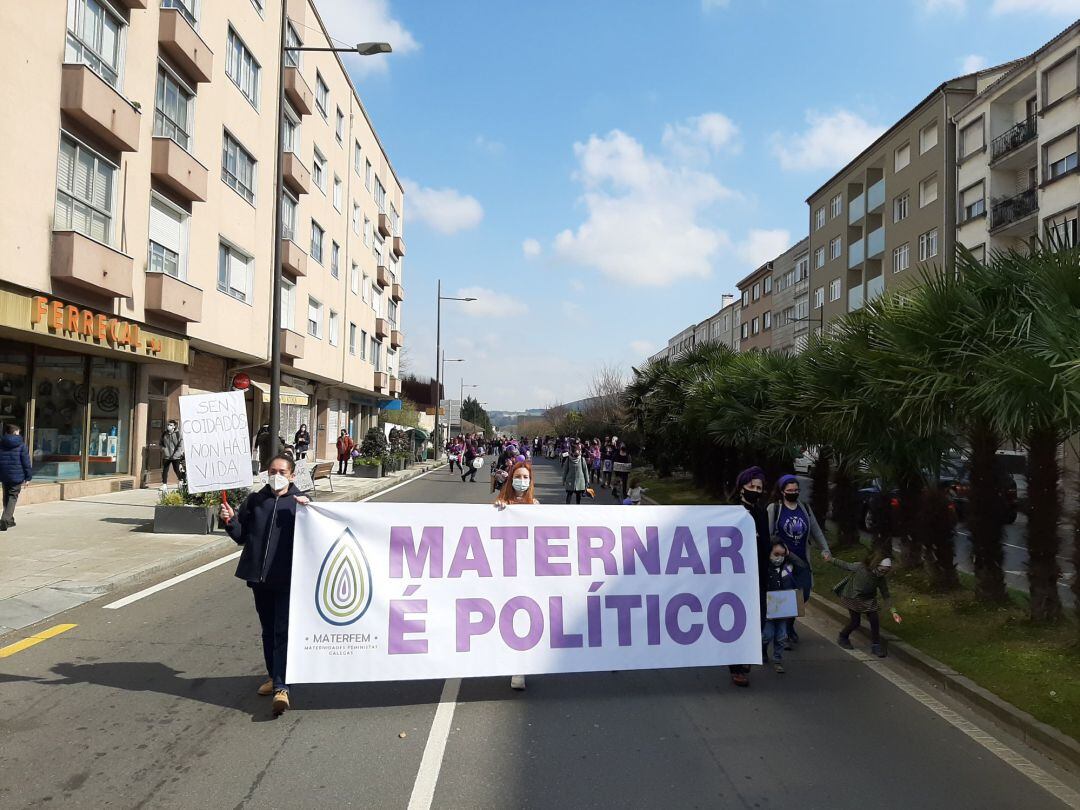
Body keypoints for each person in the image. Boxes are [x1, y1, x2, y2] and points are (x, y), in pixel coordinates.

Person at [219, 454, 309, 716]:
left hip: (288, 580)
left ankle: (283, 686)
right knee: (268, 631)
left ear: (292, 475)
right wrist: (230, 521)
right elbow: (241, 536)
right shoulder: (255, 500)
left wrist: (309, 510)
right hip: (260, 578)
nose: (276, 474)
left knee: (283, 631)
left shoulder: (300, 503)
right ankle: (274, 676)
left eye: (281, 471)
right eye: (272, 470)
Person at [767, 474, 831, 648]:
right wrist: (776, 548)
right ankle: (783, 635)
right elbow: (768, 534)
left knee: (803, 595)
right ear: (782, 491)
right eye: (790, 490)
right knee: (785, 595)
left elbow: (816, 531)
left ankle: (789, 625)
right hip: (783, 561)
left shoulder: (804, 508)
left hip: (802, 561)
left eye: (796, 490)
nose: (793, 493)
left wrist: (825, 549)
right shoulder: (775, 508)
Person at [494, 461, 539, 690]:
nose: (522, 480)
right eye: (518, 476)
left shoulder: (536, 505)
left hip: (528, 573)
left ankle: (518, 670)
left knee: (523, 619)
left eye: (526, 476)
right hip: (505, 572)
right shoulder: (501, 505)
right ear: (511, 478)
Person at [728, 466, 772, 688]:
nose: (755, 491)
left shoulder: (761, 512)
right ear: (741, 487)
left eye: (759, 488)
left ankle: (747, 655)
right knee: (737, 619)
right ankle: (736, 666)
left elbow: (766, 542)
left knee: (757, 618)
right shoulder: (731, 512)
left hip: (759, 574)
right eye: (751, 487)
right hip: (736, 578)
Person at [831, 552, 902, 657]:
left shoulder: (880, 579)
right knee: (855, 622)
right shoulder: (860, 567)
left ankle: (876, 646)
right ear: (876, 565)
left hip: (868, 599)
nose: (882, 574)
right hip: (853, 596)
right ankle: (843, 636)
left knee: (874, 621)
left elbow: (886, 595)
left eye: (885, 572)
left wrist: (894, 612)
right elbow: (845, 565)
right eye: (882, 571)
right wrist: (830, 559)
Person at [762, 542, 804, 674]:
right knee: (767, 635)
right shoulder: (764, 569)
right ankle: (763, 651)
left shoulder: (788, 568)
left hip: (783, 610)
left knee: (781, 636)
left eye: (782, 555)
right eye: (776, 554)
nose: (779, 557)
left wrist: (789, 554)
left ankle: (777, 659)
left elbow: (802, 566)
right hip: (768, 609)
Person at [0, 424, 32, 531]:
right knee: (12, 497)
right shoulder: (21, 445)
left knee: (6, 496)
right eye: (18, 432)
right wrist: (28, 477)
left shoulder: (1, 444)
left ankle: (10, 520)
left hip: (4, 475)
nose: (19, 434)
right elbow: (26, 462)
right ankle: (5, 519)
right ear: (15, 433)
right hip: (17, 476)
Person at [161, 419, 184, 485]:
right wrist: (164, 449)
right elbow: (161, 443)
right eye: (168, 425)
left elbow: (180, 445)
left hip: (175, 456)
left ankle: (181, 480)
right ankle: (164, 484)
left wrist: (177, 454)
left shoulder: (178, 434)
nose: (169, 426)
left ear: (174, 426)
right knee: (165, 470)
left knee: (176, 470)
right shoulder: (164, 434)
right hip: (167, 455)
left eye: (171, 425)